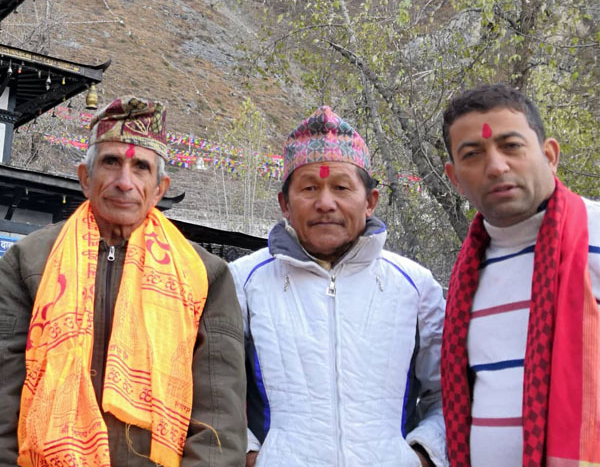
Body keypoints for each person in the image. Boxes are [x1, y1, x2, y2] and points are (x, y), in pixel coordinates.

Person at [0, 97, 246, 467]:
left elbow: (218, 415)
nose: (124, 182)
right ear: (86, 178)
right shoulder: (28, 261)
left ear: (160, 188)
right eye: (111, 162)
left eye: (141, 167)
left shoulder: (205, 274)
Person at [230, 106, 448, 467]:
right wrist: (252, 457)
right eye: (309, 188)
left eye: (342, 187)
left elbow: (447, 393)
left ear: (369, 202)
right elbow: (215, 392)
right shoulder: (243, 281)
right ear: (285, 203)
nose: (325, 203)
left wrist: (422, 457)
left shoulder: (414, 285)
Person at [439, 84, 600, 467]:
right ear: (455, 178)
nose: (496, 166)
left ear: (549, 155)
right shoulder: (468, 276)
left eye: (511, 146)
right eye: (473, 154)